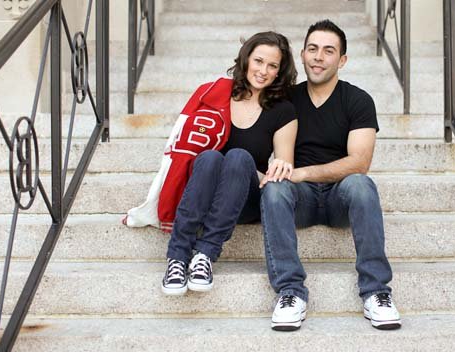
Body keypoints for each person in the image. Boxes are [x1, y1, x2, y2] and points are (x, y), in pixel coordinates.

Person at [260, 20, 401, 331]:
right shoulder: (286, 100)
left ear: (342, 60)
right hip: (302, 199)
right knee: (273, 189)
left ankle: (377, 291)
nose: (319, 57)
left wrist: (304, 172)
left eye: (328, 50)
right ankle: (290, 292)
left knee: (361, 184)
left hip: (341, 198)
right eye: (313, 49)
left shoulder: (358, 100)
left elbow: (359, 162)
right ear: (303, 54)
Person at [161, 31, 298, 295]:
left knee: (238, 157)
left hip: (245, 198)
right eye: (258, 61)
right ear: (246, 59)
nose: (263, 71)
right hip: (203, 191)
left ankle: (204, 255)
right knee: (211, 157)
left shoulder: (283, 111)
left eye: (272, 66)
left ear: (280, 72)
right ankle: (177, 257)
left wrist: (259, 171)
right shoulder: (215, 96)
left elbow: (281, 170)